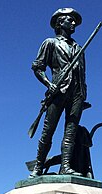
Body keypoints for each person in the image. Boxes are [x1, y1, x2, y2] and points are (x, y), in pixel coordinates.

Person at [29, 8, 88, 178]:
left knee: (70, 132)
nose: (74, 23)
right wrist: (48, 84)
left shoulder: (79, 47)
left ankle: (66, 167)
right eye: (70, 20)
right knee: (48, 131)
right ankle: (38, 167)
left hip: (77, 93)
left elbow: (82, 73)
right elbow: (37, 67)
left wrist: (83, 94)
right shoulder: (50, 43)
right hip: (58, 91)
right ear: (60, 23)